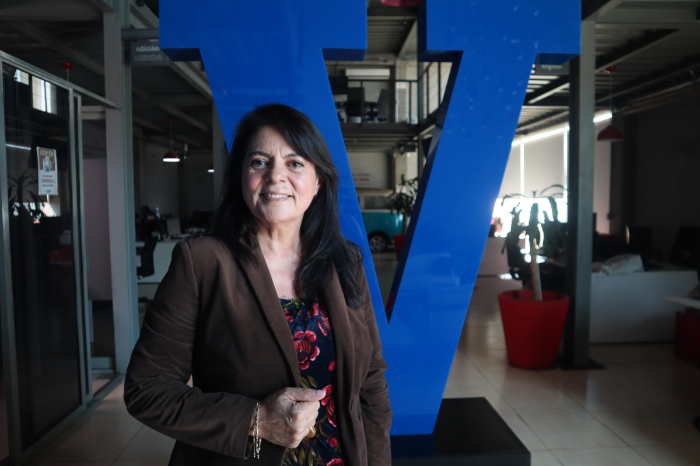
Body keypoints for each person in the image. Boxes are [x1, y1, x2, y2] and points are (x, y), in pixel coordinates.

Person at [124, 104, 392, 466]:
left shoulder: (345, 261)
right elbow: (146, 389)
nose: (275, 176)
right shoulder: (201, 263)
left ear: (318, 182)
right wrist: (257, 420)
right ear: (241, 177)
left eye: (295, 163)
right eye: (259, 162)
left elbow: (371, 381)